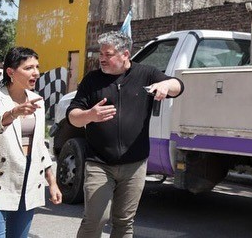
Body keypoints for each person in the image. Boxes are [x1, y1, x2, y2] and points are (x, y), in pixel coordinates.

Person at [68, 31, 184, 238]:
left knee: (124, 222)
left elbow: (178, 86)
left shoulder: (146, 74)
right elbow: (73, 116)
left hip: (135, 164)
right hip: (99, 163)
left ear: (125, 54)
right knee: (96, 218)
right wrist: (89, 115)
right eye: (101, 54)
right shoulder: (92, 80)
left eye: (108, 54)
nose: (102, 58)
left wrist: (166, 85)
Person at [0, 47, 62, 238]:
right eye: (28, 68)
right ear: (11, 72)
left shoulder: (37, 101)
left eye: (37, 67)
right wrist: (14, 112)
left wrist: (52, 181)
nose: (35, 72)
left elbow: (39, 145)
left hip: (29, 177)